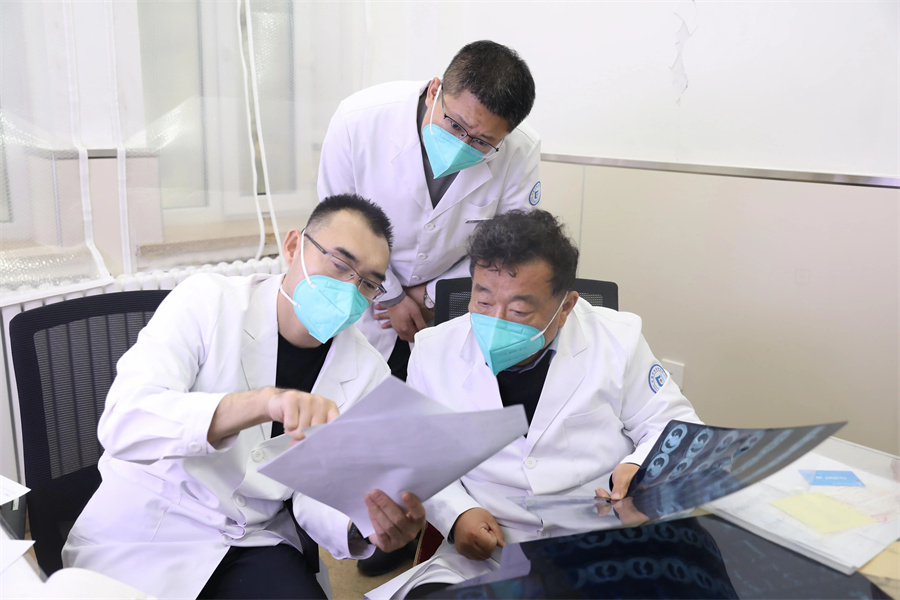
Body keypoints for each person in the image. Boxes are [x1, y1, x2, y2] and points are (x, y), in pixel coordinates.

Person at [62, 195, 426, 600]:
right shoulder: (208, 301)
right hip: (151, 521)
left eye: (368, 283)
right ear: (293, 247)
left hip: (250, 534)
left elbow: (317, 489)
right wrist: (262, 403)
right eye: (340, 264)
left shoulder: (368, 371)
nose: (350, 290)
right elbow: (125, 420)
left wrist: (363, 522)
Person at [367, 209, 703, 599]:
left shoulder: (617, 339)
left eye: (519, 310)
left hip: (602, 541)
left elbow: (676, 426)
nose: (497, 320)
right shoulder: (432, 352)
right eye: (483, 300)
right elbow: (421, 454)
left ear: (566, 307)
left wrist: (641, 468)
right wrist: (457, 513)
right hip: (493, 548)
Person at [318, 39, 541, 382]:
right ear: (435, 90)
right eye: (455, 125)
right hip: (359, 297)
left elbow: (510, 247)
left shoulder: (519, 150)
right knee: (348, 395)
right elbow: (336, 226)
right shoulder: (358, 120)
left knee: (433, 398)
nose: (463, 145)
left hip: (443, 308)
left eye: (482, 142)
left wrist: (431, 296)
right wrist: (392, 297)